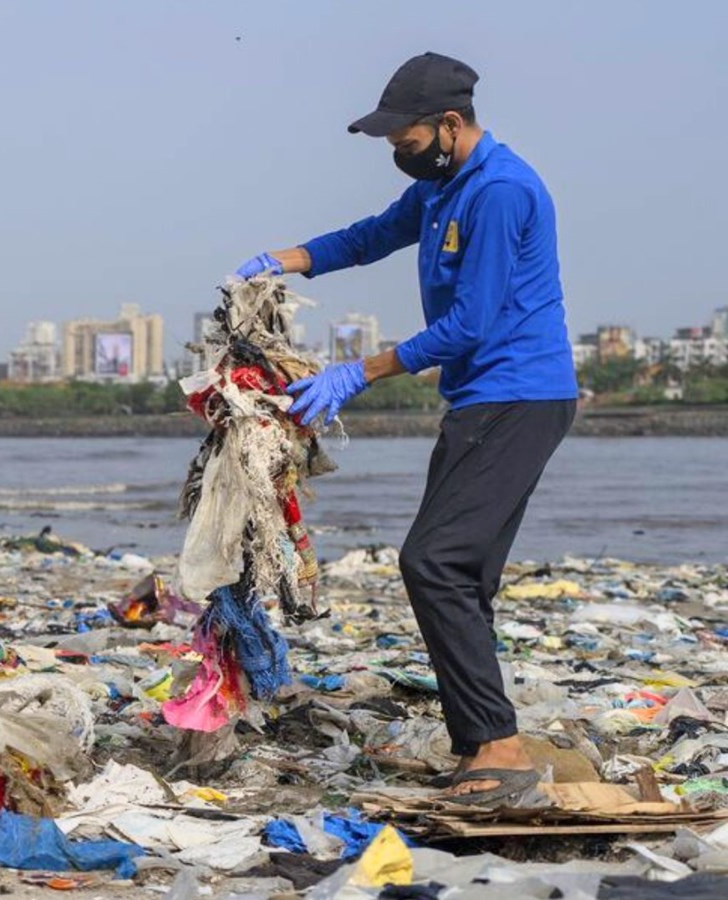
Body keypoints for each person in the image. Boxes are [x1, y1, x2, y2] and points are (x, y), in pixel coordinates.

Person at [232, 53, 578, 805]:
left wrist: (356, 374)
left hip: (519, 396)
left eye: (406, 138)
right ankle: (484, 745)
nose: (398, 151)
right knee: (463, 574)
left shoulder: (501, 191)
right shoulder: (440, 185)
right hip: (485, 400)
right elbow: (368, 236)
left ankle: (499, 746)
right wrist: (281, 263)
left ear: (450, 126)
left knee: (433, 562)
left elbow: (470, 324)